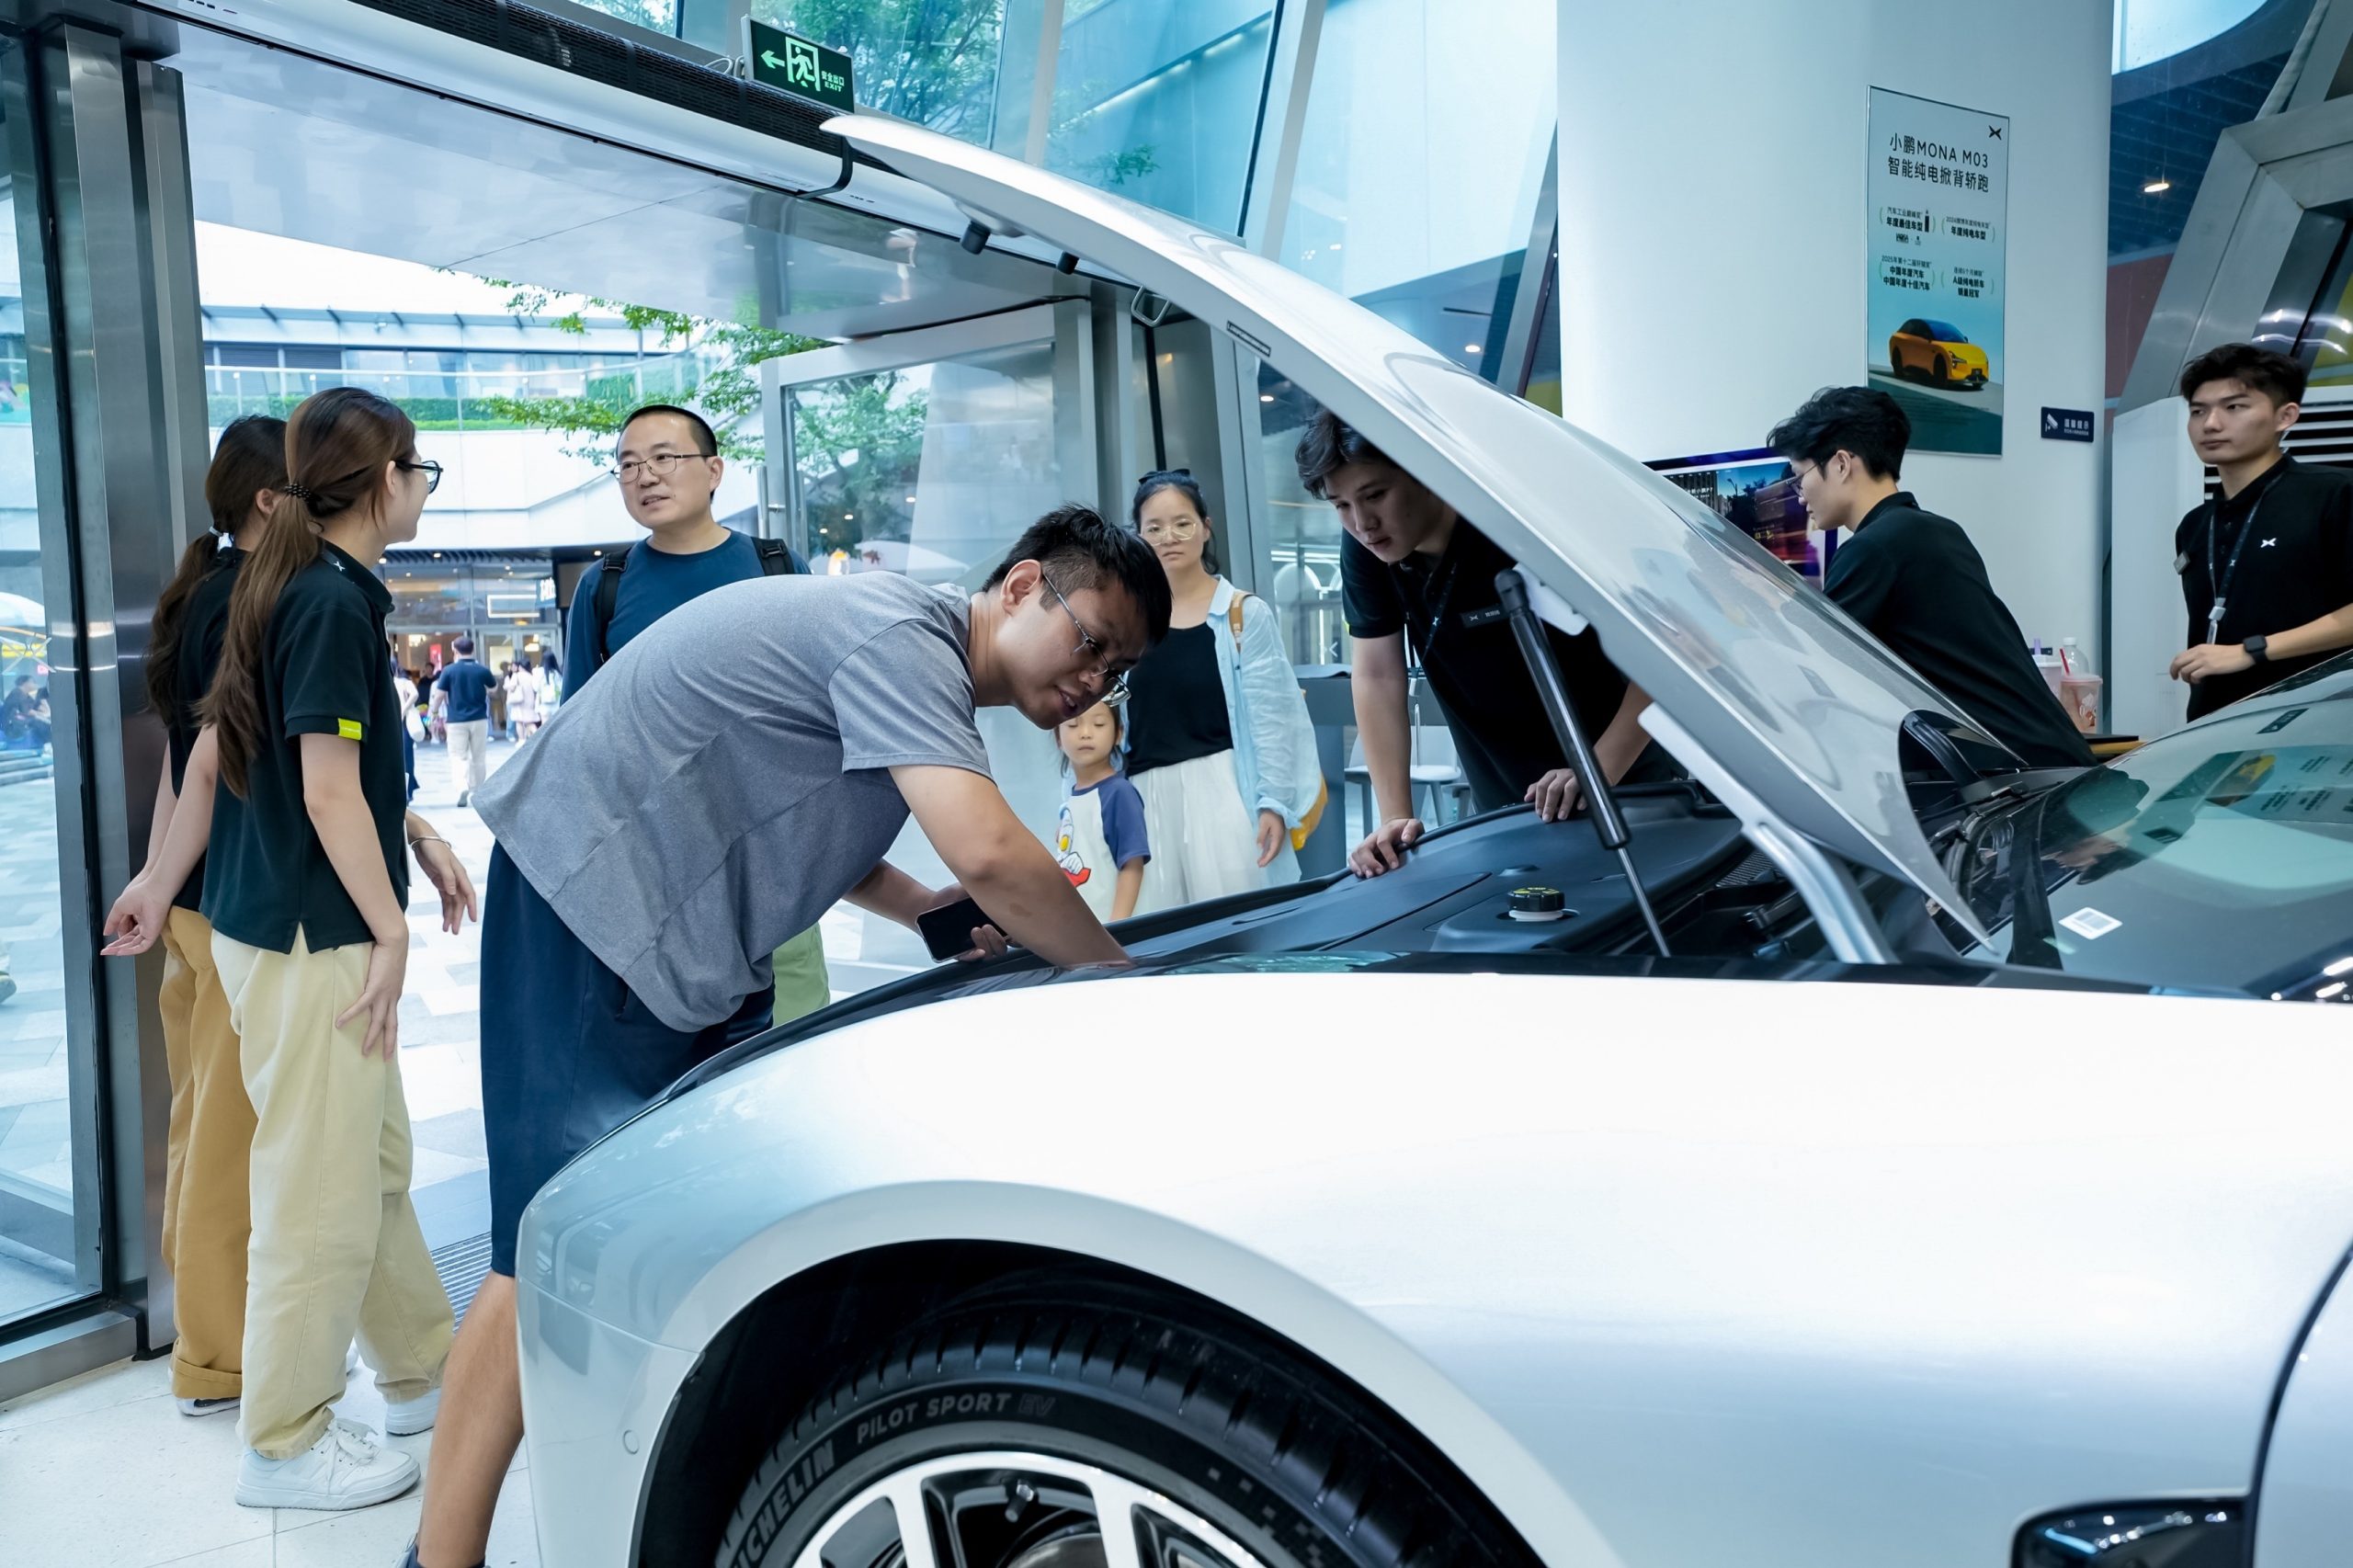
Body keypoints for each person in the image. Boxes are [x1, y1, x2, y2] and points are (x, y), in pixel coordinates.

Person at [404, 503, 1170, 1568]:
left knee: (634, 1240)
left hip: (669, 939)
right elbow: (991, 851)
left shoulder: (903, 648)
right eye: (1090, 641)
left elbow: (794, 798)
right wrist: (1121, 983)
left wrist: (924, 912)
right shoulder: (906, 638)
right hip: (592, 900)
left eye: (1115, 669)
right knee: (539, 1248)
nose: (1092, 680)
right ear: (1021, 585)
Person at [196, 388, 475, 1511]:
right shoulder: (325, 601)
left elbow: (324, 771)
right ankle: (283, 1441)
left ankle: (421, 1369)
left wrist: (416, 833)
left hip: (290, 925)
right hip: (313, 936)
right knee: (319, 1190)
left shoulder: (308, 587)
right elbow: (323, 788)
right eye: (420, 470)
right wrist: (392, 927)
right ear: (384, 481)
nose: (423, 489)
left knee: (374, 1163)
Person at [94, 415, 285, 1421]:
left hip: (195, 903)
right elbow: (208, 765)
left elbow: (182, 759)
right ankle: (217, 1357)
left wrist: (156, 880)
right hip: (229, 905)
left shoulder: (202, 593)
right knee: (224, 1139)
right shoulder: (254, 600)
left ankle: (214, 1338)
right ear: (270, 498)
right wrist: (163, 883)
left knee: (203, 1123)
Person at [1302, 410, 1668, 879]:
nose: (1362, 523)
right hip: (1503, 805)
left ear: (1424, 469)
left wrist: (1598, 768)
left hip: (1627, 783)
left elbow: (1664, 648)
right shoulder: (1367, 548)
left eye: (1375, 495)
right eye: (1341, 505)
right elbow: (1377, 674)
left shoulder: (1520, 520)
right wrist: (1395, 816)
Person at [561, 403, 829, 1029]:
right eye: (629, 465)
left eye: (664, 458)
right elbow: (579, 735)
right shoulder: (606, 586)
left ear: (714, 471)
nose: (645, 476)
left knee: (790, 1038)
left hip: (775, 853)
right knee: (673, 1050)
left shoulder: (775, 567)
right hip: (658, 866)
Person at [1767, 387, 2093, 767]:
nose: (1800, 496)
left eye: (1799, 478)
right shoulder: (1936, 531)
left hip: (2019, 777)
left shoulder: (1873, 547)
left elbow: (1812, 660)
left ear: (1841, 464)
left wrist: (1765, 599)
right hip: (2056, 757)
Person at [1120, 469, 1322, 912]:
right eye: (1154, 528)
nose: (1169, 538)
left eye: (1182, 523)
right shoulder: (1127, 620)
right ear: (1138, 537)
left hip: (1222, 794)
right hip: (1144, 803)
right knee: (1155, 939)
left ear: (1205, 528)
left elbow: (1273, 720)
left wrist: (1273, 804)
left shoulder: (1243, 614)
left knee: (1235, 932)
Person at [2167, 343, 2353, 721]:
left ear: (2285, 416)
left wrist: (2250, 650)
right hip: (2217, 723)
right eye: (2198, 411)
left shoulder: (2335, 493)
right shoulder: (2195, 524)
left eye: (2234, 407)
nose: (2210, 424)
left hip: (2318, 722)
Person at [1053, 697, 1150, 921]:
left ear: (1118, 733)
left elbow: (1132, 865)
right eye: (1073, 725)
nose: (1085, 733)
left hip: (1111, 931)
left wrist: (1118, 927)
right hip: (1083, 930)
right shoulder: (1072, 801)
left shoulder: (1119, 793)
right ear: (1058, 737)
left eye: (1098, 724)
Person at [437, 635, 495, 804]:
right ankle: (478, 791)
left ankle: (462, 785)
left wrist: (433, 713)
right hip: (479, 719)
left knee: (458, 756)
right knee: (479, 756)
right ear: (473, 649)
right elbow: (494, 689)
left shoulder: (449, 671)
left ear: (455, 650)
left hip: (456, 720)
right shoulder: (482, 670)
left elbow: (439, 695)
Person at [393, 659, 421, 799]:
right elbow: (414, 694)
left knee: (400, 758)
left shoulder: (397, 682)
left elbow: (414, 694)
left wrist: (402, 711)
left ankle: (406, 790)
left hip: (398, 724)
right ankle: (409, 789)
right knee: (407, 758)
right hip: (401, 724)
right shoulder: (403, 682)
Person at [2, 674, 46, 752]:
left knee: (41, 723)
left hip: (17, 723)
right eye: (33, 682)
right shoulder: (17, 693)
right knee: (40, 724)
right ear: (26, 683)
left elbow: (35, 708)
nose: (35, 685)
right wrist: (43, 716)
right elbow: (27, 711)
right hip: (12, 727)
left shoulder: (24, 695)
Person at [504, 653, 542, 741]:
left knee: (519, 721)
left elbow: (512, 687)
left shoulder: (516, 675)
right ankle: (537, 737)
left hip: (519, 702)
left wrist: (506, 686)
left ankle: (522, 739)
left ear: (520, 667)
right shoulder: (531, 676)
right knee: (529, 722)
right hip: (530, 701)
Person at [488, 660, 510, 741]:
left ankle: (504, 725)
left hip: (507, 698)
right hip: (498, 698)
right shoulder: (500, 678)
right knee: (496, 714)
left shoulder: (511, 675)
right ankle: (500, 725)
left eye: (506, 666)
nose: (505, 668)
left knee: (505, 714)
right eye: (504, 666)